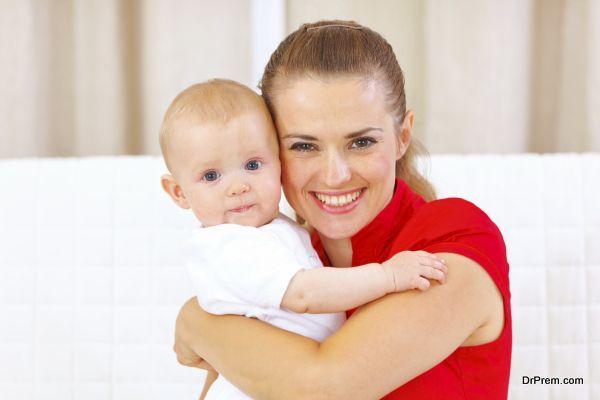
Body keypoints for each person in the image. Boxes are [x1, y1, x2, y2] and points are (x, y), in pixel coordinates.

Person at [173, 20, 512, 400]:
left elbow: (328, 389)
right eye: (304, 146)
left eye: (362, 142)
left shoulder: (456, 236)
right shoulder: (283, 259)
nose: (335, 175)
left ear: (402, 137)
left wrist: (196, 322)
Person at [159, 79, 447, 399]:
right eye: (211, 176)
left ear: (279, 164)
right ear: (178, 192)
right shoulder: (227, 247)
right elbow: (304, 294)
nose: (237, 186)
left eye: (253, 165)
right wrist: (389, 275)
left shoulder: (274, 231)